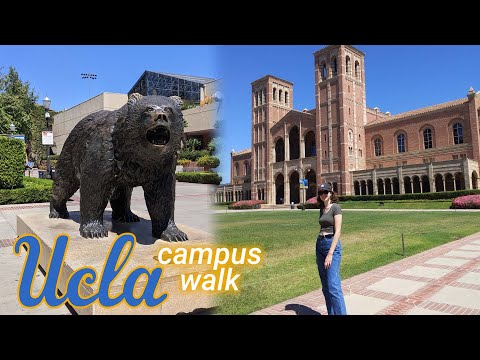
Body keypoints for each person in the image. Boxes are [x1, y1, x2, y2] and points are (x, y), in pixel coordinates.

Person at [316, 183, 347, 315]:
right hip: (320, 244)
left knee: (333, 286)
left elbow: (338, 231)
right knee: (325, 287)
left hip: (331, 245)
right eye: (321, 192)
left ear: (331, 193)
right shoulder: (322, 209)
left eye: (325, 192)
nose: (323, 194)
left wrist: (330, 253)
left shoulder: (336, 208)